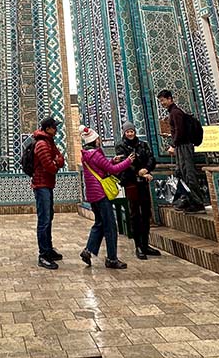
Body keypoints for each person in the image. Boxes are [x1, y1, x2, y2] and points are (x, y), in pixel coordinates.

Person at [79, 124, 134, 269]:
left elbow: (101, 167)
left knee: (100, 223)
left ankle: (88, 250)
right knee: (110, 226)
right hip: (101, 194)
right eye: (98, 138)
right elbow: (112, 170)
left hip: (92, 195)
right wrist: (127, 161)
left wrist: (111, 160)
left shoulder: (86, 154)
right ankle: (112, 258)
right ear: (95, 140)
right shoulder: (96, 154)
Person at [114, 122, 161, 260]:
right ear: (124, 132)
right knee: (135, 213)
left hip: (143, 182)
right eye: (127, 131)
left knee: (146, 213)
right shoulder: (121, 146)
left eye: (132, 131)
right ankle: (138, 246)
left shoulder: (142, 145)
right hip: (131, 183)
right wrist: (139, 173)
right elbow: (125, 164)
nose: (130, 133)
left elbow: (151, 159)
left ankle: (146, 244)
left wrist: (146, 169)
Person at [158, 89, 205, 213]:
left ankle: (198, 203)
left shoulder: (175, 113)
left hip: (184, 146)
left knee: (188, 173)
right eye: (160, 101)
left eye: (163, 100)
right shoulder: (173, 113)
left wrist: (173, 144)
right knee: (181, 173)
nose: (162, 103)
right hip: (181, 146)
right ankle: (188, 201)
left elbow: (180, 130)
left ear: (170, 99)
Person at [31, 115, 65, 269]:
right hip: (41, 185)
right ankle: (43, 255)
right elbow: (51, 167)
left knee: (48, 217)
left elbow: (60, 159)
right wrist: (56, 162)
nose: (56, 129)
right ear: (48, 128)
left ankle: (49, 249)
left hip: (48, 184)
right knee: (44, 219)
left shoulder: (49, 142)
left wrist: (56, 161)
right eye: (54, 126)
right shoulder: (42, 144)